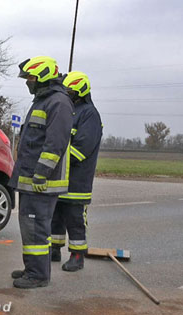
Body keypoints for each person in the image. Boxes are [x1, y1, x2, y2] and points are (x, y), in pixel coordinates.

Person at [9, 56, 74, 289]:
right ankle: (32, 268)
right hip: (30, 181)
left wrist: (42, 173)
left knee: (36, 230)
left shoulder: (58, 102)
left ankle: (38, 275)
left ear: (44, 77)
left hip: (41, 183)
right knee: (29, 228)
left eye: (31, 77)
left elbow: (55, 142)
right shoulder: (43, 101)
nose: (28, 82)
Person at [51, 71, 103, 271]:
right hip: (61, 178)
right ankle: (54, 249)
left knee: (75, 219)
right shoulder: (69, 110)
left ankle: (77, 255)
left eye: (70, 91)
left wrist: (57, 160)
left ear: (81, 91)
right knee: (55, 216)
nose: (67, 94)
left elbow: (81, 148)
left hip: (78, 179)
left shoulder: (89, 114)